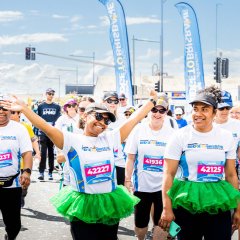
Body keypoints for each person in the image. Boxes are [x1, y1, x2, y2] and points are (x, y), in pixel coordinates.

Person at [3, 90, 158, 240]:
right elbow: (45, 126)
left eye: (106, 120)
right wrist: (24, 109)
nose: (102, 123)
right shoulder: (71, 140)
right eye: (98, 116)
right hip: (82, 205)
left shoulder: (110, 138)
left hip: (109, 204)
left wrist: (151, 102)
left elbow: (133, 120)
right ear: (85, 115)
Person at [159, 85, 240, 240]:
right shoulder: (179, 136)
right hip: (185, 201)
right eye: (195, 109)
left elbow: (231, 175)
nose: (198, 113)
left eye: (204, 109)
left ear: (214, 112)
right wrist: (166, 208)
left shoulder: (227, 137)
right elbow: (168, 174)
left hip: (217, 202)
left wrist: (238, 209)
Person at [125, 94, 176, 240]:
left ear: (166, 113)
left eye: (162, 111)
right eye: (154, 110)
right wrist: (127, 180)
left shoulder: (172, 133)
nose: (157, 114)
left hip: (163, 188)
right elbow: (130, 157)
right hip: (141, 186)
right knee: (140, 224)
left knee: (161, 225)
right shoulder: (138, 130)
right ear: (149, 111)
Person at [0, 96, 33, 240]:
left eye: (5, 108)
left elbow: (27, 152)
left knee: (14, 226)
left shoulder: (19, 129)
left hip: (12, 184)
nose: (1, 111)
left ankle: (10, 236)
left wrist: (26, 172)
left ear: (11, 110)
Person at [10, 109, 41, 207]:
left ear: (19, 114)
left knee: (24, 183)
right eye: (9, 112)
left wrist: (38, 152)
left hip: (24, 161)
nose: (11, 114)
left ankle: (22, 196)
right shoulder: (4, 126)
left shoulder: (26, 126)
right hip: (10, 162)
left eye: (13, 112)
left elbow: (33, 140)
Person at [37, 88, 61, 180]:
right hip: (42, 132)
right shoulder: (41, 106)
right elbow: (37, 119)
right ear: (46, 94)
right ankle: (41, 172)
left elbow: (58, 119)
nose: (50, 95)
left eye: (52, 94)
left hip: (53, 132)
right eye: (49, 94)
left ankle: (50, 172)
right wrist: (37, 132)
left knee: (51, 153)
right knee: (43, 152)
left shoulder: (57, 107)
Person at [102, 91, 126, 185]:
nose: (113, 103)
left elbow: (126, 138)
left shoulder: (122, 119)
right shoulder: (98, 117)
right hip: (102, 161)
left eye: (115, 101)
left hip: (118, 160)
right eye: (109, 101)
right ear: (103, 102)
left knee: (119, 192)